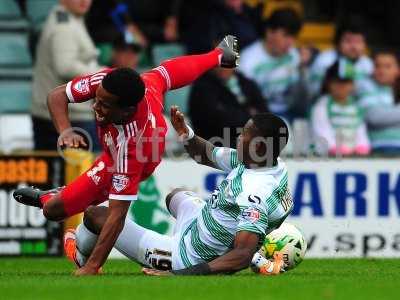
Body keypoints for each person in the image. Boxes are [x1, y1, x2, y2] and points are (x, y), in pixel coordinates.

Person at [13, 35, 240, 276]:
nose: (94, 107)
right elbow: (56, 95)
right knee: (53, 211)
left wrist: (93, 267)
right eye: (96, 99)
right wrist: (66, 130)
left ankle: (81, 245)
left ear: (127, 110)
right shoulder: (107, 80)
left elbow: (117, 216)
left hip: (138, 157)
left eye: (104, 105)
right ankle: (218, 54)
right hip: (115, 150)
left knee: (97, 211)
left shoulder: (135, 146)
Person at [64, 106, 291, 275]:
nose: (239, 137)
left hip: (185, 255)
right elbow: (207, 154)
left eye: (245, 134)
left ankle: (80, 253)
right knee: (176, 196)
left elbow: (243, 254)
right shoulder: (267, 163)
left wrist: (179, 274)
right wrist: (185, 132)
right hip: (198, 224)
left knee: (96, 214)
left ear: (259, 145)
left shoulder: (255, 191)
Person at [31, 0, 102, 151]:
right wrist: (101, 75)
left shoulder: (71, 18)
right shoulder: (64, 27)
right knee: (87, 170)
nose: (85, 1)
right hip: (68, 116)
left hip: (59, 114)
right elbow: (65, 66)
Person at [238, 8, 307, 121]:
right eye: (286, 35)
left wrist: (303, 69)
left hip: (290, 113)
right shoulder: (248, 61)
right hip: (261, 117)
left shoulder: (293, 55)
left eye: (293, 37)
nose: (290, 42)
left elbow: (300, 98)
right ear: (269, 32)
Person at [189, 67, 267, 147]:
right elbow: (218, 120)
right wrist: (249, 115)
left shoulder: (246, 82)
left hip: (251, 139)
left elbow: (264, 114)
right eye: (219, 64)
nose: (223, 68)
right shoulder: (202, 87)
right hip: (216, 143)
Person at [311, 60, 370, 156]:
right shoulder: (321, 105)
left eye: (346, 82)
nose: (341, 86)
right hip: (327, 156)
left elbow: (360, 130)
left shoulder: (356, 107)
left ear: (352, 85)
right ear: (328, 83)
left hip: (354, 155)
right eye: (337, 82)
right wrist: (334, 147)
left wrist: (362, 146)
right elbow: (321, 131)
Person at [307, 17, 373, 99]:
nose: (354, 47)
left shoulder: (368, 63)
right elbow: (313, 92)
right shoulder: (324, 61)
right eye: (348, 41)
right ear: (337, 43)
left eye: (358, 42)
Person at [358, 50, 400, 154]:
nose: (382, 70)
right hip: (380, 145)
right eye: (377, 66)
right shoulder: (365, 88)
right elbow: (373, 117)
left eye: (387, 66)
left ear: (398, 70)